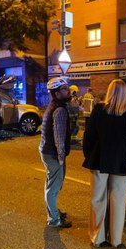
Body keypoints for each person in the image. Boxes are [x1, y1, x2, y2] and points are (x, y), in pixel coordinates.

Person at [83, 79, 126, 248]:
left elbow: (89, 137)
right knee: (118, 200)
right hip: (122, 162)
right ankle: (115, 239)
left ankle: (98, 237)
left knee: (98, 199)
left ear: (109, 92)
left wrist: (89, 154)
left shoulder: (99, 110)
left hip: (99, 160)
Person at [39, 77, 72, 228]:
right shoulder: (59, 110)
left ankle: (53, 211)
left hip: (47, 151)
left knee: (51, 184)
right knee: (53, 187)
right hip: (53, 154)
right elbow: (59, 136)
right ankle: (54, 219)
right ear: (57, 93)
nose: (68, 90)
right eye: (65, 89)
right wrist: (60, 157)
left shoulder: (53, 106)